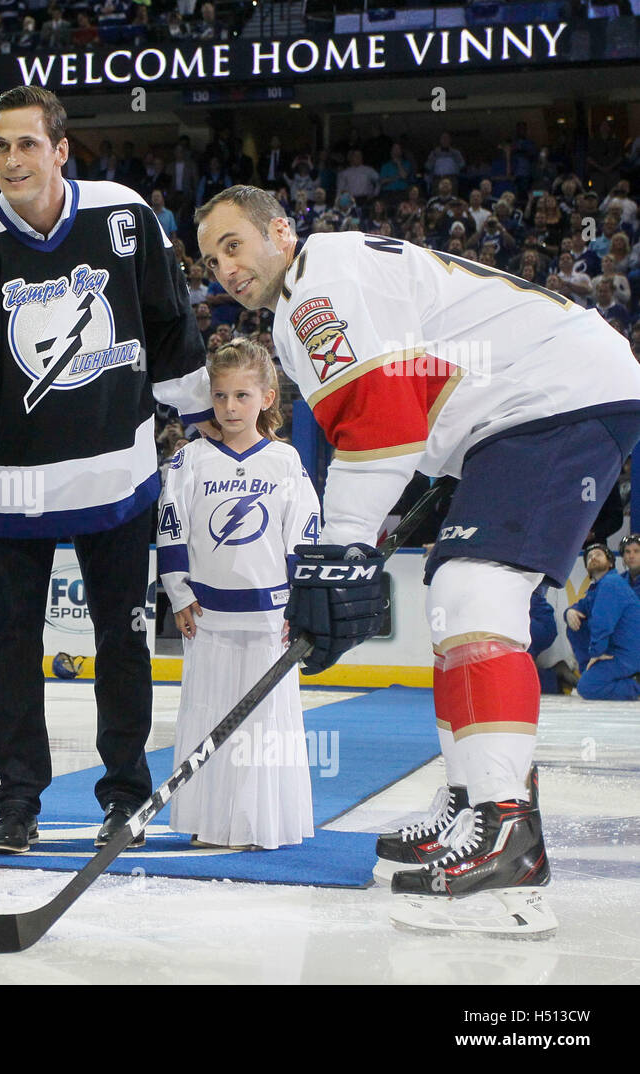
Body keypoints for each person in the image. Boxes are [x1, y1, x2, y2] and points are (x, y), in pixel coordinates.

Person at [195, 184, 640, 935]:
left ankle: (507, 838)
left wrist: (342, 550)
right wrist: (428, 482)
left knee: (474, 594)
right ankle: (474, 805)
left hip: (555, 398)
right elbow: (414, 399)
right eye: (210, 259)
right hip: (516, 414)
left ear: (280, 230)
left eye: (234, 245)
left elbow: (383, 417)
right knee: (452, 600)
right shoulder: (316, 297)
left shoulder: (320, 288)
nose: (223, 269)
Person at [0, 86, 212, 854]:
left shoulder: (124, 214)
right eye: (0, 146)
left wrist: (206, 416)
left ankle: (125, 797)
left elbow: (172, 328)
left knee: (123, 644)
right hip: (16, 483)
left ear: (61, 150)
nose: (11, 160)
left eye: (27, 144)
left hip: (117, 472)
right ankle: (19, 804)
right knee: (11, 649)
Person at [156, 339, 320, 849]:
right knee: (209, 714)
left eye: (242, 396)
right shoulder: (188, 462)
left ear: (268, 397)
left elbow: (304, 532)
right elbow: (170, 529)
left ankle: (255, 824)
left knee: (263, 726)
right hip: (208, 616)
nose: (230, 407)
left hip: (271, 619)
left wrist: (302, 600)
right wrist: (179, 594)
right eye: (221, 396)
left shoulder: (286, 462)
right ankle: (210, 821)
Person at [564, 543, 640, 701]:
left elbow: (603, 623)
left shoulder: (611, 583)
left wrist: (597, 652)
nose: (593, 558)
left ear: (611, 562)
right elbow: (581, 606)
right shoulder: (597, 588)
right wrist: (568, 612)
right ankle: (592, 674)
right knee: (576, 623)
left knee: (587, 688)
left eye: (598, 554)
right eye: (589, 557)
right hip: (615, 650)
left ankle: (635, 685)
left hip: (626, 653)